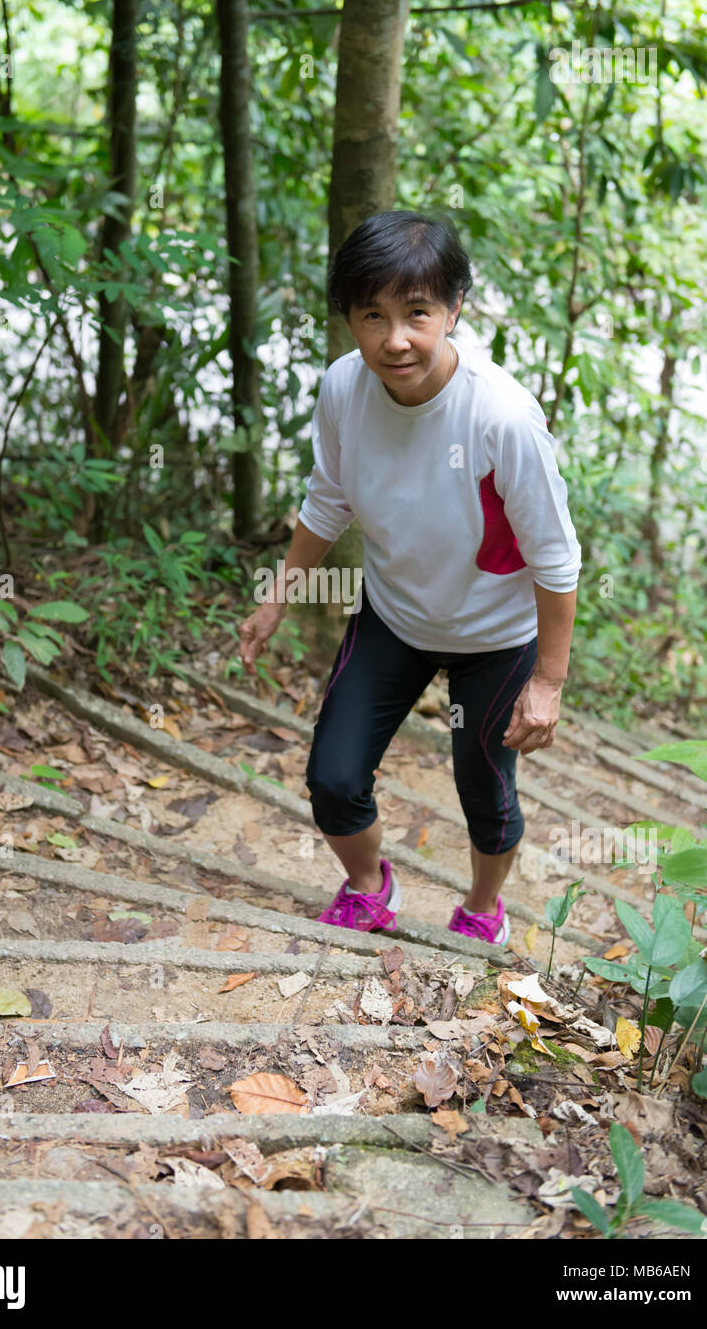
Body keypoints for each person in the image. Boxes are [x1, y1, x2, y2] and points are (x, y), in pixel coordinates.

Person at [239, 210, 581, 946]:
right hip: (394, 617)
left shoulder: (502, 420)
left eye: (417, 313)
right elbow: (327, 498)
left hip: (495, 636)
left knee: (483, 791)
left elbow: (555, 560)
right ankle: (368, 886)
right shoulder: (342, 389)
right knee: (332, 776)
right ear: (349, 320)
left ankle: (484, 906)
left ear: (453, 309)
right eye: (373, 316)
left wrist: (546, 682)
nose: (394, 338)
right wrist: (277, 598)